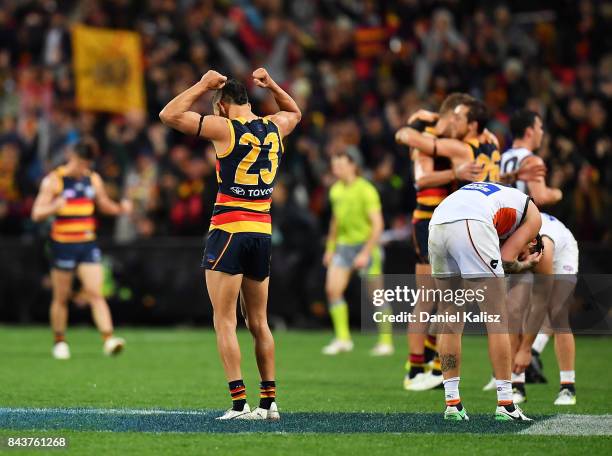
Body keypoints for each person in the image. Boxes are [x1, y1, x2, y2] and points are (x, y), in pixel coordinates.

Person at [159, 68, 301, 420]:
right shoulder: (275, 126)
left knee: (224, 321)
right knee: (259, 322)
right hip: (262, 231)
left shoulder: (224, 127)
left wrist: (202, 85)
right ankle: (269, 402)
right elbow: (295, 112)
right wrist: (273, 86)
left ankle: (240, 404)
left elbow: (169, 115)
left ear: (221, 106)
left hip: (229, 230)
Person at [427, 181, 542, 421]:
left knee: (450, 318)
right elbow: (507, 258)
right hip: (471, 223)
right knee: (497, 319)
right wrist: (524, 264)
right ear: (533, 241)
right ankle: (506, 404)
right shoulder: (534, 219)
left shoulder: (503, 196)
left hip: (438, 221)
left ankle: (452, 404)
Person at [401, 93, 483, 390]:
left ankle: (436, 365)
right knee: (428, 296)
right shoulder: (425, 143)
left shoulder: (451, 143)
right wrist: (455, 172)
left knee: (446, 299)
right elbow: (420, 180)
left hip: (449, 223)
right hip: (426, 221)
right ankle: (414, 367)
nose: (456, 126)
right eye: (454, 119)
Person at [31, 140, 131, 360]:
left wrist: (120, 208)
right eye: (79, 162)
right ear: (71, 157)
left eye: (86, 163)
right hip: (62, 244)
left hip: (86, 243)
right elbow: (36, 213)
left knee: (95, 293)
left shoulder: (92, 178)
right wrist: (53, 207)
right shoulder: (54, 181)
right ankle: (59, 341)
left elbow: (103, 204)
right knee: (62, 296)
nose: (82, 167)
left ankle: (108, 339)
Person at [321, 146, 388, 356]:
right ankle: (343, 339)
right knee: (333, 290)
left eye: (340, 164)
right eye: (334, 164)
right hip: (344, 246)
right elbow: (335, 222)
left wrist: (366, 252)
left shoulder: (366, 189)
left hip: (365, 246)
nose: (336, 168)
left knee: (376, 295)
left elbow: (378, 225)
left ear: (353, 165)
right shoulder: (336, 190)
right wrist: (330, 249)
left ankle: (386, 342)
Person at [508, 213, 578, 406]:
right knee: (513, 311)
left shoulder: (543, 250)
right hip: (528, 247)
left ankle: (567, 387)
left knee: (557, 314)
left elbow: (540, 302)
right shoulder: (508, 240)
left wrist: (526, 349)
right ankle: (517, 385)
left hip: (562, 252)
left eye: (521, 254)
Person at [500, 109, 562, 206]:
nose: (542, 133)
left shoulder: (501, 157)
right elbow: (540, 198)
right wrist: (556, 193)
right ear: (529, 132)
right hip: (518, 218)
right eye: (540, 128)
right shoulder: (532, 161)